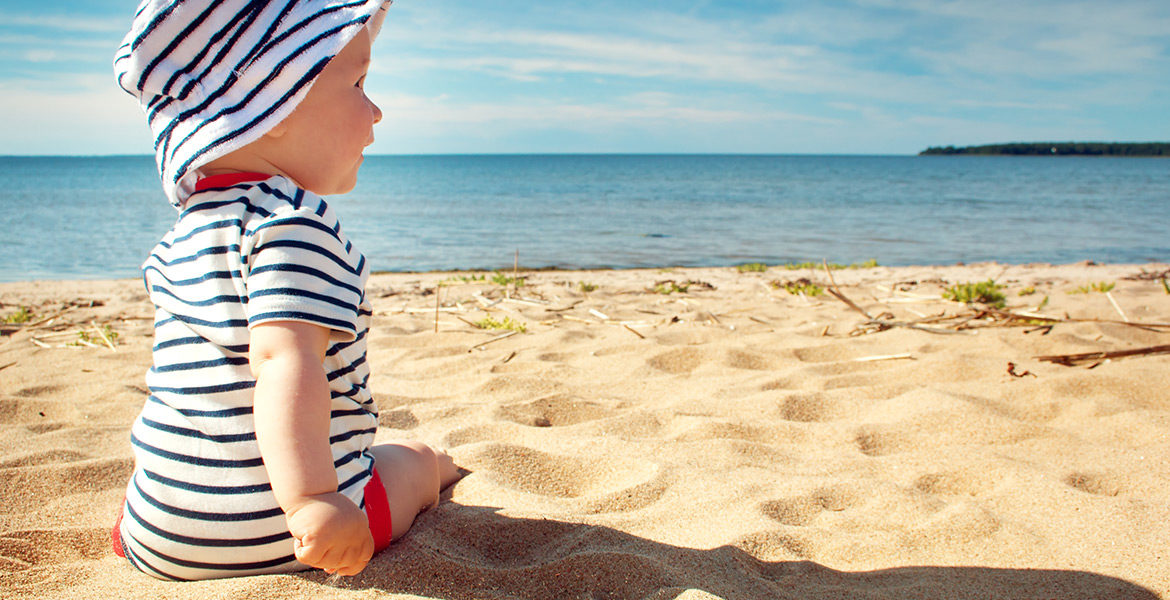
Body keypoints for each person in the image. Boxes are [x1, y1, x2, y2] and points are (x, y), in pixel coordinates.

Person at [110, 0, 460, 580]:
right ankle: (437, 468)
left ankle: (159, 521)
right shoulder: (291, 223)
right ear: (274, 102)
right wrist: (314, 499)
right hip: (279, 533)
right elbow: (281, 362)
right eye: (358, 82)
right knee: (412, 462)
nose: (376, 112)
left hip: (155, 533)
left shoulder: (182, 235)